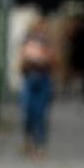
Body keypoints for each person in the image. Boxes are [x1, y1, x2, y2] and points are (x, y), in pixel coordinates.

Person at [19, 22, 56, 157]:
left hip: (42, 79)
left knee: (40, 115)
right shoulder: (27, 43)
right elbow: (22, 63)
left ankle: (39, 145)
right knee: (28, 113)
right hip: (30, 78)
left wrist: (42, 59)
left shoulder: (47, 45)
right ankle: (29, 141)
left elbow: (53, 62)